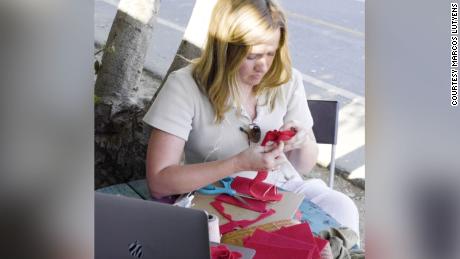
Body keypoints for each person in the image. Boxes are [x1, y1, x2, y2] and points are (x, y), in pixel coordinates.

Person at [143, 0, 359, 236]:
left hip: (280, 189)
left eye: (271, 53)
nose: (264, 66)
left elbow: (303, 166)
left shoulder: (286, 79)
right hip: (216, 195)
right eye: (252, 56)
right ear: (225, 50)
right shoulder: (184, 86)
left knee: (342, 206)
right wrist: (238, 164)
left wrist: (301, 139)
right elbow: (159, 181)